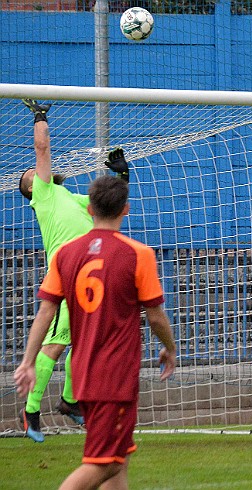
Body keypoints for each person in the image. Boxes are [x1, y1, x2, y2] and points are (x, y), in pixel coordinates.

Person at [14, 175, 177, 489]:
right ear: (126, 209)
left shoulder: (66, 254)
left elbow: (46, 311)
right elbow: (155, 317)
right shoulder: (138, 254)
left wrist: (27, 361)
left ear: (89, 208)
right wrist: (169, 348)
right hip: (114, 375)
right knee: (106, 463)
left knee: (120, 459)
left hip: (84, 372)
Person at [17, 99, 130, 442]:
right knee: (55, 345)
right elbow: (42, 146)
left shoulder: (72, 197)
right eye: (31, 175)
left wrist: (121, 175)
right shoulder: (45, 195)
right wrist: (39, 115)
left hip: (89, 279)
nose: (35, 173)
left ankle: (69, 401)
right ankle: (31, 410)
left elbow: (108, 209)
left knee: (84, 345)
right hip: (64, 279)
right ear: (33, 188)